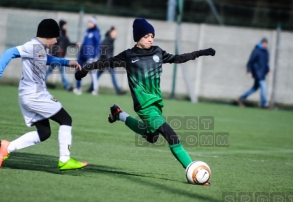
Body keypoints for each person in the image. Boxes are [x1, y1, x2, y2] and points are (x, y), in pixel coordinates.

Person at [75, 18, 215, 185]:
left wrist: (202, 52)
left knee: (152, 137)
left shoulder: (157, 51)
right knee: (171, 136)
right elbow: (105, 62)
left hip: (156, 104)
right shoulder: (129, 55)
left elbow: (178, 58)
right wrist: (84, 70)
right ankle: (193, 170)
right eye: (147, 36)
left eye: (152, 36)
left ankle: (119, 114)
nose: (150, 39)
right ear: (138, 37)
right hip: (145, 106)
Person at [0, 19, 88, 171]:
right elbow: (8, 53)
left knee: (44, 133)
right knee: (65, 119)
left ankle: (6, 148)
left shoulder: (39, 49)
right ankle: (64, 159)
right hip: (34, 95)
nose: (56, 41)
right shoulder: (32, 46)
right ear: (49, 36)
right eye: (55, 37)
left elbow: (47, 59)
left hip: (30, 95)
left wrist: (67, 62)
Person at [88, 26, 126, 95]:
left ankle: (91, 88)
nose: (115, 34)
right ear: (110, 33)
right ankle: (91, 88)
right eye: (114, 33)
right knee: (98, 76)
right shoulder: (106, 40)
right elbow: (103, 51)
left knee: (107, 75)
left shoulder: (111, 41)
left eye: (116, 33)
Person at [238, 38, 270, 108]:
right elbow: (250, 61)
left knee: (254, 88)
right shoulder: (257, 51)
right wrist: (249, 71)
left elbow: (266, 63)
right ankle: (264, 104)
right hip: (257, 73)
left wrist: (268, 70)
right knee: (264, 87)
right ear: (262, 43)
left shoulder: (266, 52)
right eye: (265, 43)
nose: (266, 45)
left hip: (262, 73)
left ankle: (241, 97)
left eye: (266, 44)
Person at [74, 16, 101, 95]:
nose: (89, 23)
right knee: (79, 69)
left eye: (91, 22)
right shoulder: (87, 31)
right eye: (89, 22)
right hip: (82, 54)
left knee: (92, 72)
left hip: (90, 56)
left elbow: (97, 45)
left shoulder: (96, 32)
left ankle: (95, 89)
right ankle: (78, 88)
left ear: (94, 23)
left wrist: (94, 56)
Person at [45, 20, 74, 92]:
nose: (66, 26)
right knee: (62, 72)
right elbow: (55, 43)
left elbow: (68, 43)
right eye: (65, 25)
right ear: (62, 25)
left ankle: (39, 83)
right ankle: (67, 86)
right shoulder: (60, 34)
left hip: (56, 56)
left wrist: (75, 44)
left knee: (49, 71)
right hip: (57, 56)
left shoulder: (64, 34)